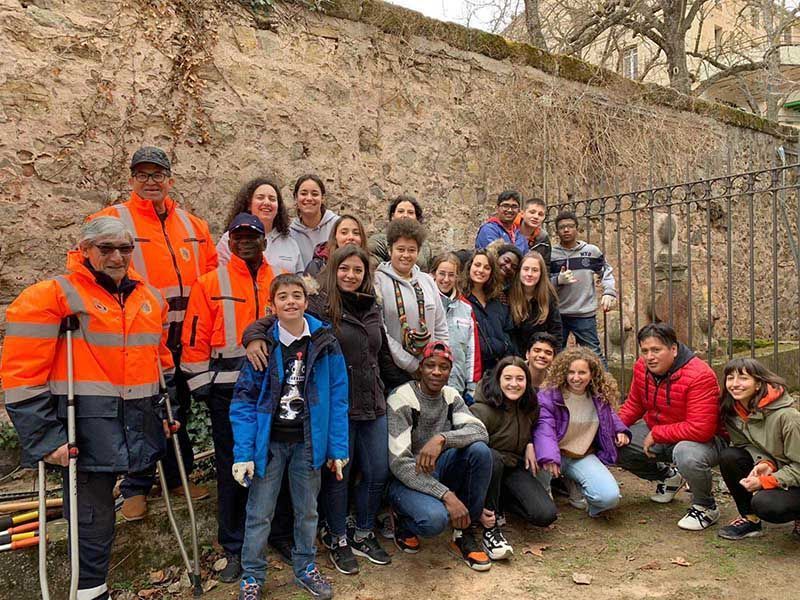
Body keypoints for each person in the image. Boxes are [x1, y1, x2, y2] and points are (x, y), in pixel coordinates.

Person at [1, 217, 175, 600]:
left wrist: (167, 414)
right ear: (84, 250)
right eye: (106, 248)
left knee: (104, 516)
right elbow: (21, 377)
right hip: (83, 429)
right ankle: (90, 592)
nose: (117, 257)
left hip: (140, 421)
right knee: (92, 521)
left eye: (125, 248)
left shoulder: (150, 299)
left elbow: (161, 364)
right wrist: (46, 439)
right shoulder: (51, 296)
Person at [242, 246, 394, 574]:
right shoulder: (320, 304)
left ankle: (363, 532)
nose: (351, 275)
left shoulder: (373, 305)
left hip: (370, 400)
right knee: (337, 474)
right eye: (344, 269)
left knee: (377, 471)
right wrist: (253, 336)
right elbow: (278, 317)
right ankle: (337, 537)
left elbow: (381, 352)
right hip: (330, 406)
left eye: (358, 270)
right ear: (333, 270)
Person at [88, 146, 216, 520]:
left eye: (157, 174)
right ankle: (136, 485)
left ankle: (177, 476)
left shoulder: (193, 226)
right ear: (131, 180)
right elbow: (86, 265)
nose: (150, 182)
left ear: (169, 180)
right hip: (140, 335)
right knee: (141, 411)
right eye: (142, 175)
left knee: (179, 408)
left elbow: (209, 277)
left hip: (185, 337)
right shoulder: (112, 219)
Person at [230, 274, 349, 600]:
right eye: (283, 297)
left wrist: (337, 448)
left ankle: (306, 567)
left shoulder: (325, 342)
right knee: (259, 513)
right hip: (269, 445)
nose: (291, 301)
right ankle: (252, 576)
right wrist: (243, 453)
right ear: (272, 305)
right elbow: (243, 402)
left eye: (297, 295)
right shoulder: (263, 346)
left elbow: (338, 397)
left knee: (307, 510)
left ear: (306, 302)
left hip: (308, 443)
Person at [181, 213, 275, 582]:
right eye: (239, 236)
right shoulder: (210, 283)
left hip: (273, 389)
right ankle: (234, 546)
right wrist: (199, 383)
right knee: (233, 467)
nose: (246, 242)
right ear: (230, 242)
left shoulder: (278, 280)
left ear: (264, 241)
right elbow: (195, 335)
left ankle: (274, 535)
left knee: (274, 463)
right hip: (228, 391)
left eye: (253, 236)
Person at [386, 341, 493, 571]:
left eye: (443, 367)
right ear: (420, 368)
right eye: (430, 365)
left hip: (439, 468)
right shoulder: (401, 398)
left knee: (480, 451)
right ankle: (404, 521)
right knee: (434, 521)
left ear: (450, 371)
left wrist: (442, 438)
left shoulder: (451, 395)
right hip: (407, 479)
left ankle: (464, 531)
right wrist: (446, 495)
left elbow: (479, 431)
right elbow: (400, 464)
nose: (436, 372)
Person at [616, 323, 725, 531]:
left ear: (673, 349)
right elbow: (635, 404)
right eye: (645, 351)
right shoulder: (641, 367)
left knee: (686, 454)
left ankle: (705, 506)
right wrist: (614, 428)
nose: (649, 357)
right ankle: (668, 477)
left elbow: (701, 428)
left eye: (656, 350)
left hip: (703, 441)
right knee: (615, 442)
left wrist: (658, 434)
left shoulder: (700, 375)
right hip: (660, 432)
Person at [471, 357, 557, 561]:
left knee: (545, 514)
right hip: (486, 471)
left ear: (527, 382)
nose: (514, 384)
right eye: (508, 378)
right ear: (498, 380)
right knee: (492, 457)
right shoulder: (482, 410)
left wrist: (530, 443)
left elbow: (535, 428)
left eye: (520, 379)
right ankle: (490, 527)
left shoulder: (530, 407)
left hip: (513, 467)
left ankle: (503, 502)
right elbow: (469, 452)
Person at [533, 347, 630, 517]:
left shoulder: (599, 396)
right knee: (540, 457)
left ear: (592, 374)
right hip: (554, 454)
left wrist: (620, 430)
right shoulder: (549, 395)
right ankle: (546, 490)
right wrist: (549, 456)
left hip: (582, 456)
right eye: (571, 372)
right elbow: (544, 429)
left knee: (609, 498)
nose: (576, 378)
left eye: (582, 373)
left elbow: (610, 416)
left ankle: (575, 484)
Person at [716, 358, 800, 540]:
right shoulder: (733, 411)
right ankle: (750, 519)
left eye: (743, 378)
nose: (735, 384)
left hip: (796, 475)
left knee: (766, 504)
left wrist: (767, 481)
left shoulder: (788, 418)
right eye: (730, 378)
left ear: (758, 384)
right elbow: (744, 445)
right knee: (729, 456)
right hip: (778, 470)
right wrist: (765, 462)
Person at [374, 219, 449, 381]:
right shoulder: (378, 281)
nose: (406, 255)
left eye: (412, 250)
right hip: (393, 371)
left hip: (429, 371)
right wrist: (412, 365)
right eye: (400, 249)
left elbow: (440, 326)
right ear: (390, 250)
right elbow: (382, 330)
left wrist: (437, 361)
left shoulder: (427, 281)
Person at [549, 211, 616, 366]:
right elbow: (543, 283)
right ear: (557, 231)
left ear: (577, 228)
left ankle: (604, 383)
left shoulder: (591, 252)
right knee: (555, 356)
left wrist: (609, 291)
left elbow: (606, 272)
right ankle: (555, 383)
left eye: (570, 226)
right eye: (562, 227)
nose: (566, 230)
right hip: (558, 314)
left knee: (594, 356)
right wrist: (557, 280)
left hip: (584, 314)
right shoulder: (552, 255)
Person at [216, 176, 304, 275]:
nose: (267, 202)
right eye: (260, 197)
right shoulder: (231, 239)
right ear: (249, 205)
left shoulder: (289, 242)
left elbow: (299, 278)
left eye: (272, 199)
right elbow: (219, 276)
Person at [431, 253, 481, 404]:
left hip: (456, 385)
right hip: (428, 383)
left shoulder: (466, 307)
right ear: (433, 274)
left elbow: (472, 349)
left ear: (457, 277)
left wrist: (472, 385)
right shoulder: (425, 302)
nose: (446, 279)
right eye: (442, 274)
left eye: (451, 275)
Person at [461, 249, 516, 376]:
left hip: (499, 369)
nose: (481, 270)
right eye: (477, 265)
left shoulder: (497, 300)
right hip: (471, 369)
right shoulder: (460, 299)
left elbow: (509, 332)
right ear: (469, 267)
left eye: (487, 268)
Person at [509, 251, 563, 353]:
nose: (529, 274)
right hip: (513, 356)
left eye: (535, 270)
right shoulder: (508, 295)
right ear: (519, 271)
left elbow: (556, 332)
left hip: (539, 355)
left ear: (541, 273)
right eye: (526, 269)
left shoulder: (548, 297)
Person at [368, 195, 434, 271]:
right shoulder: (378, 242)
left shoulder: (425, 246)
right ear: (392, 216)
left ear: (416, 218)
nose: (405, 215)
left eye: (410, 212)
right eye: (400, 211)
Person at [289, 174, 340, 266]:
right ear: (296, 198)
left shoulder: (337, 226)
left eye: (315, 194)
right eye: (303, 194)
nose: (309, 198)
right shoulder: (289, 233)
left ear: (322, 198)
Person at [304, 214, 368, 278]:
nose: (351, 237)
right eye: (344, 232)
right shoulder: (318, 266)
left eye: (356, 233)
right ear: (335, 236)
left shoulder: (368, 265)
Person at [517, 198, 551, 268]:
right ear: (522, 214)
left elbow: (545, 266)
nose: (536, 217)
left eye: (540, 214)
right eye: (532, 212)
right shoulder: (510, 231)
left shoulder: (543, 238)